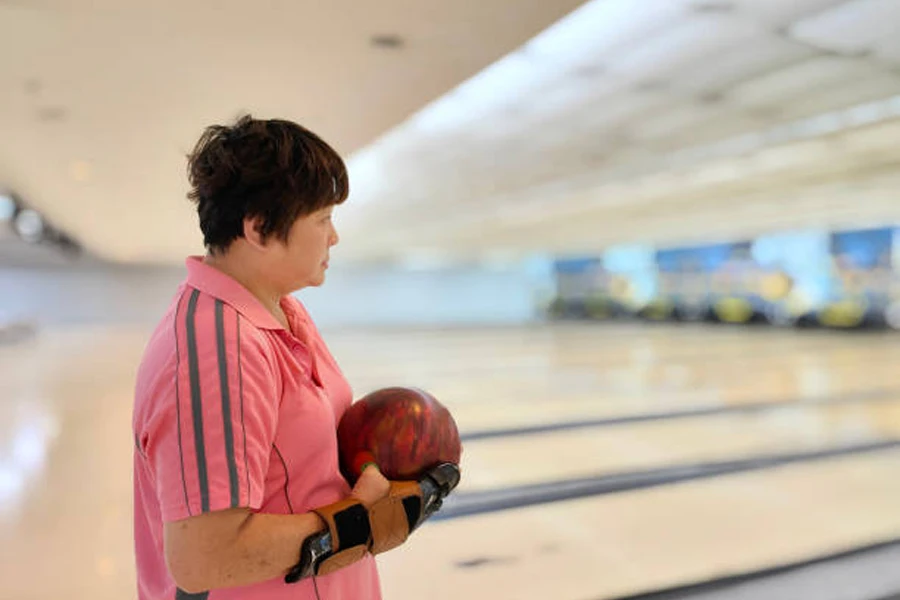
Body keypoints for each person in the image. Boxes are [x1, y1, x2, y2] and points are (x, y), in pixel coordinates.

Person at [132, 115, 414, 600]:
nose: (334, 236)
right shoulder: (216, 348)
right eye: (323, 219)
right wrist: (361, 520)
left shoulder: (285, 312)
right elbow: (204, 558)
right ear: (259, 228)